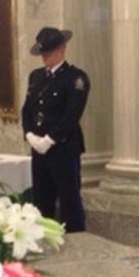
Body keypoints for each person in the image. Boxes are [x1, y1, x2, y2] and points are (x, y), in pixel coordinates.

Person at [20, 26, 90, 232]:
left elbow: (71, 115)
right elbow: (27, 110)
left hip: (63, 148)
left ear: (62, 49)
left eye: (49, 52)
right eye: (43, 52)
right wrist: (30, 135)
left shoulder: (76, 78)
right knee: (41, 200)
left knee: (70, 201)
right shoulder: (36, 76)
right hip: (38, 149)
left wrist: (49, 140)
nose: (45, 57)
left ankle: (77, 243)